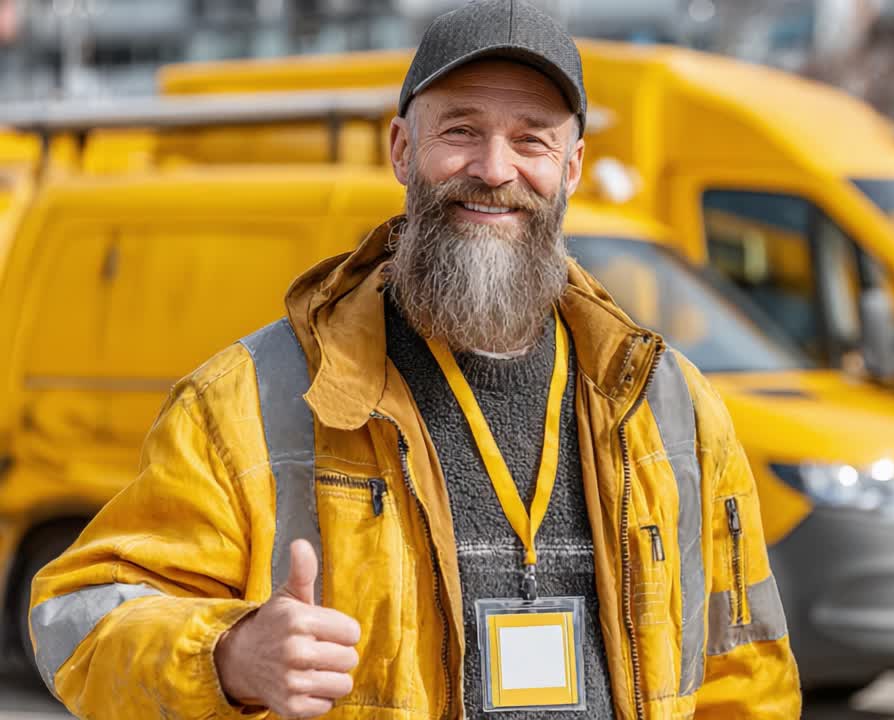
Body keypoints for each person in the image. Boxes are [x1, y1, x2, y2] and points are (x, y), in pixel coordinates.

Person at [28, 1, 800, 718]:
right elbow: (78, 617)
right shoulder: (245, 402)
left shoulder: (671, 407)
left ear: (570, 169)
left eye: (532, 138)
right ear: (402, 149)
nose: (495, 169)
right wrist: (227, 654)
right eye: (460, 130)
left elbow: (747, 674)